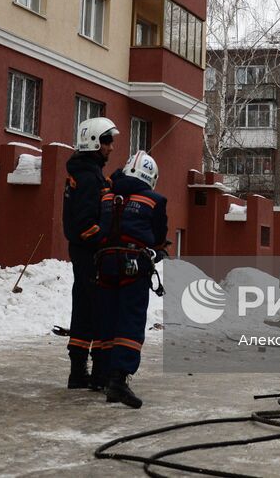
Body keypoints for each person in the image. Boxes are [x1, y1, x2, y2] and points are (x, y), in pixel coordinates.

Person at [94, 151, 168, 408]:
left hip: (104, 264)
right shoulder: (154, 200)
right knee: (130, 320)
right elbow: (158, 237)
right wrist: (156, 251)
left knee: (108, 317)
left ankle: (103, 373)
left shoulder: (106, 195)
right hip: (133, 265)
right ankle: (118, 379)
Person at [62, 116, 117, 391]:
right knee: (98, 310)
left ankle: (78, 372)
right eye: (107, 141)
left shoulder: (87, 173)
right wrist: (103, 238)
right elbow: (85, 224)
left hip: (84, 254)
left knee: (83, 309)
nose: (111, 147)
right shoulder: (87, 178)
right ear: (95, 142)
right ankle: (99, 374)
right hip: (91, 253)